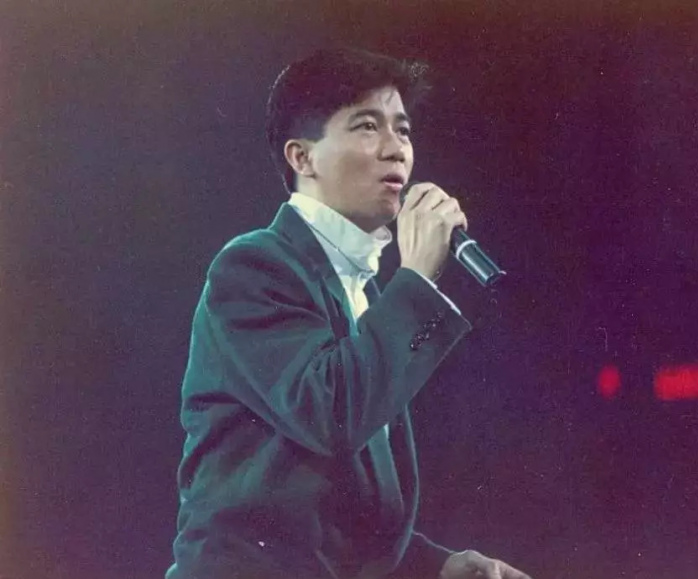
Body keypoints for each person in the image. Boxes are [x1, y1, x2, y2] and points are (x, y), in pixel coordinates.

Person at [166, 47, 529, 579]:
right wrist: (416, 278)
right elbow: (329, 413)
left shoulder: (366, 292)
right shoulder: (254, 267)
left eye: (402, 130)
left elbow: (337, 512)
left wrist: (437, 566)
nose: (396, 149)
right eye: (367, 126)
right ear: (302, 158)